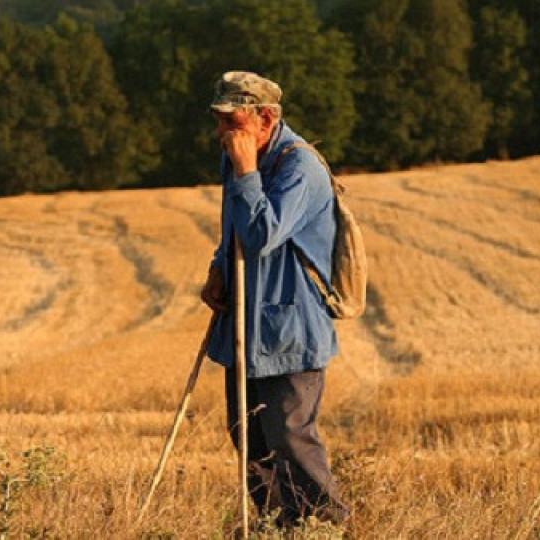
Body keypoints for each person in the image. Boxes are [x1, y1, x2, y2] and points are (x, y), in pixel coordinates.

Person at [200, 71, 349, 527]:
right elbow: (236, 232)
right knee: (249, 441)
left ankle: (326, 530)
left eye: (233, 119)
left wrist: (246, 172)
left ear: (266, 117)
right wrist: (218, 268)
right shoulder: (239, 154)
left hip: (289, 331)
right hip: (245, 327)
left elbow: (262, 234)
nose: (223, 131)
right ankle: (272, 530)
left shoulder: (298, 166)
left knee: (291, 439)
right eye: (220, 119)